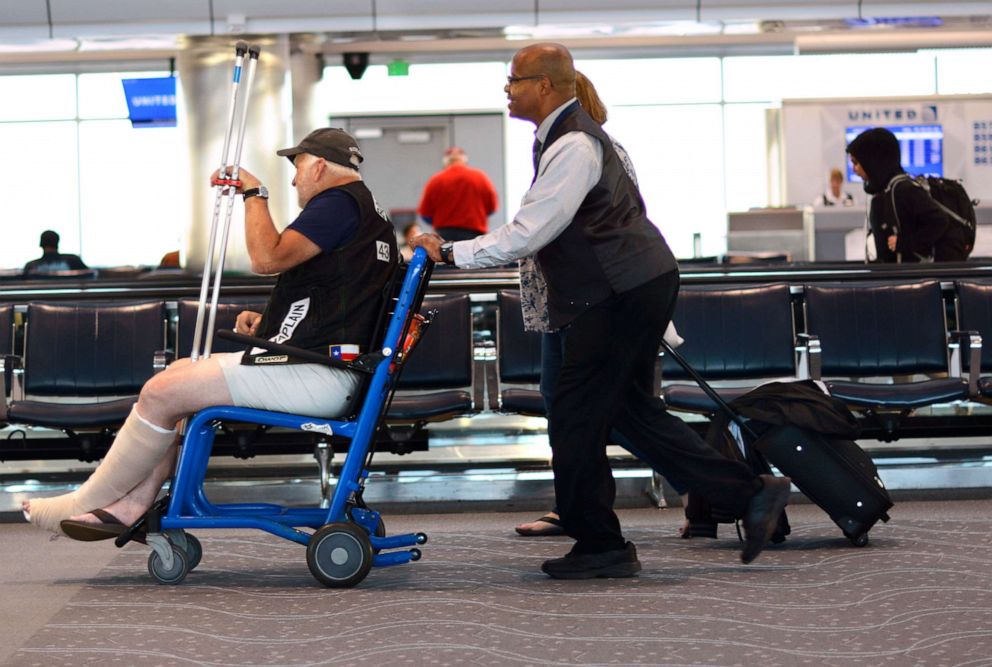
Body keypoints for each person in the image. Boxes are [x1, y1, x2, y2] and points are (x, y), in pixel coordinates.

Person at [413, 43, 791, 579]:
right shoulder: (563, 140)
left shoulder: (574, 146)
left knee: (574, 414)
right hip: (623, 289)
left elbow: (530, 231)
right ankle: (747, 493)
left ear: (544, 86)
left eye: (514, 79)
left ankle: (602, 543)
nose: (507, 87)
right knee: (622, 410)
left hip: (616, 292)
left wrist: (452, 252)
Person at [22, 127, 397, 538]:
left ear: (320, 166)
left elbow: (267, 258)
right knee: (179, 376)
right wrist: (270, 322)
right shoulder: (369, 212)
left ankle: (85, 502)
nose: (294, 180)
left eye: (299, 167)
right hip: (326, 368)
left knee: (160, 392)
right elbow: (340, 295)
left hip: (316, 374)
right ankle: (132, 502)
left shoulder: (336, 204)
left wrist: (255, 194)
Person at [514, 70, 689, 538]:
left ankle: (711, 486)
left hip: (595, 302)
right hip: (561, 304)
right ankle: (575, 506)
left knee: (608, 409)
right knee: (568, 409)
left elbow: (620, 229)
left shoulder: (589, 148)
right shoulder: (558, 150)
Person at [847, 127, 967, 263]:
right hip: (897, 277)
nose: (854, 169)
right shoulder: (883, 191)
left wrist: (904, 244)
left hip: (912, 278)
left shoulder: (903, 190)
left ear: (873, 161)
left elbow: (939, 221)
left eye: (856, 163)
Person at [417, 146, 498, 241]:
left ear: (445, 161)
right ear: (465, 159)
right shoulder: (480, 177)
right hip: (474, 235)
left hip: (444, 236)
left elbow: (425, 214)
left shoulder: (435, 180)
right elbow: (492, 207)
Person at [23, 230, 88, 275]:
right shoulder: (73, 260)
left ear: (41, 245)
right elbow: (90, 275)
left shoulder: (31, 266)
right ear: (57, 244)